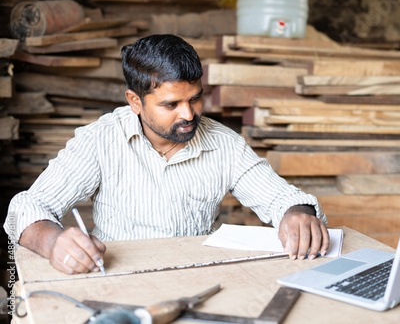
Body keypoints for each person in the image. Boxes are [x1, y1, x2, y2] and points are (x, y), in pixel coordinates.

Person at [4, 34, 329, 275]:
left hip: (197, 276)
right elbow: (27, 206)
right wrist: (52, 242)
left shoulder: (223, 144)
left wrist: (296, 213)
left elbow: (283, 198)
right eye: (171, 105)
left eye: (196, 99)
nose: (188, 114)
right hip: (115, 277)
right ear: (134, 101)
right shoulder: (100, 141)